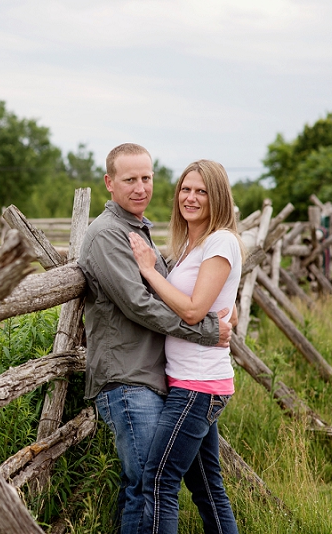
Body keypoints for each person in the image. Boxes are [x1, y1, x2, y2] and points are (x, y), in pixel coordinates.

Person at [78, 143, 233, 534]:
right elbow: (138, 305)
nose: (140, 187)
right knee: (147, 484)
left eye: (146, 178)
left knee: (153, 485)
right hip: (128, 377)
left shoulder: (139, 229)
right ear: (109, 183)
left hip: (159, 376)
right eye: (129, 179)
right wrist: (206, 331)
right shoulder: (107, 234)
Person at [129, 159, 243, 534]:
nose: (190, 198)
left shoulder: (221, 241)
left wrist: (148, 271)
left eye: (201, 191)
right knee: (207, 488)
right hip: (189, 382)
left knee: (158, 480)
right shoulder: (193, 244)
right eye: (185, 189)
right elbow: (211, 299)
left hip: (198, 385)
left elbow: (193, 310)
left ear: (218, 198)